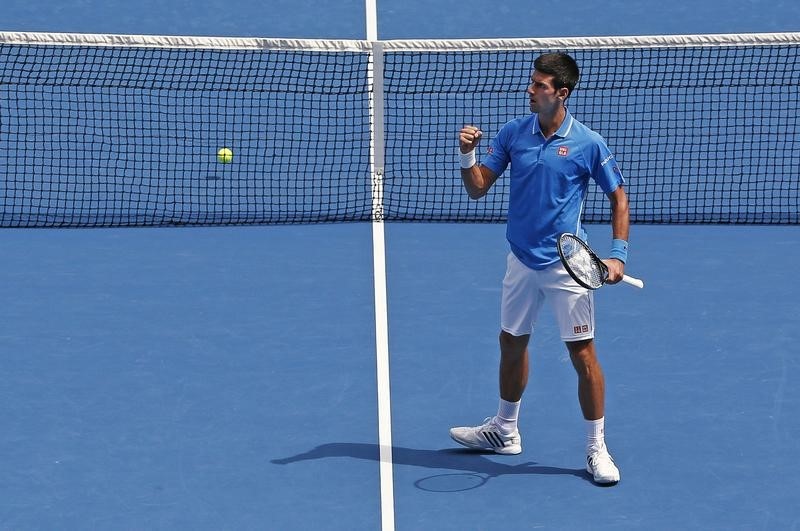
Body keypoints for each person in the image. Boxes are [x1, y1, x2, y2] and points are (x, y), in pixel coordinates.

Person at [449, 52, 628, 485]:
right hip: (521, 260)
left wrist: (617, 253)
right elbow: (477, 190)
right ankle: (505, 430)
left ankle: (596, 448)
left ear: (561, 93)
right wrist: (468, 155)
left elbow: (618, 197)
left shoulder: (588, 143)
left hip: (567, 266)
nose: (529, 90)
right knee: (511, 343)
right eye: (531, 82)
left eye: (539, 85)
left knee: (582, 355)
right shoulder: (514, 133)